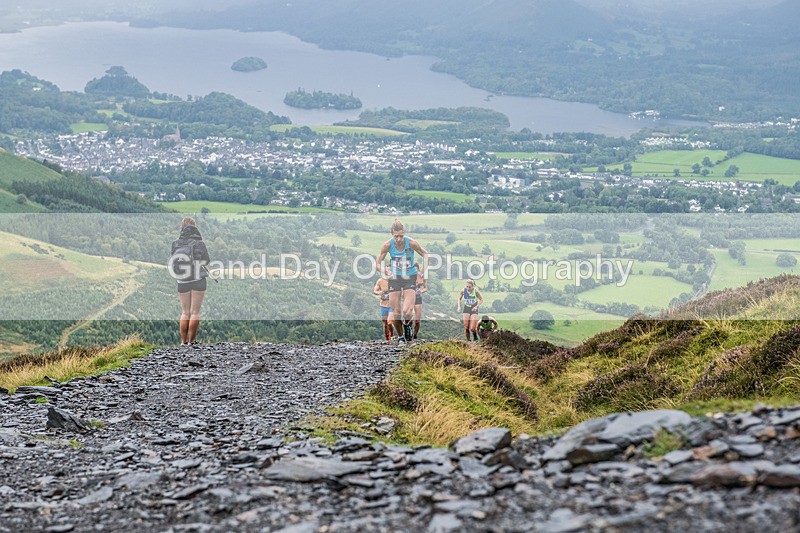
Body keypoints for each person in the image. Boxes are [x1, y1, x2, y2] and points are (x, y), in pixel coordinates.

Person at [376, 219, 427, 343]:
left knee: (407, 311)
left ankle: (407, 325)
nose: (399, 239)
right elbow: (377, 263)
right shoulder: (387, 245)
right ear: (391, 233)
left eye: (401, 236)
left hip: (410, 277)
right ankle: (401, 337)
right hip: (395, 278)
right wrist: (385, 271)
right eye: (396, 236)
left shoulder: (412, 243)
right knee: (396, 312)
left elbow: (426, 255)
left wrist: (421, 273)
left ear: (404, 232)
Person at [170, 217, 210, 346]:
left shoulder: (175, 243)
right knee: (195, 312)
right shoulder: (199, 243)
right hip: (198, 279)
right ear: (195, 228)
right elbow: (207, 261)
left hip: (182, 280)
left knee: (185, 312)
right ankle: (192, 342)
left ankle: (183, 342)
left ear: (181, 228)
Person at [373, 266, 395, 341]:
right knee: (385, 324)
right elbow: (375, 291)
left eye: (390, 269)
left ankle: (392, 334)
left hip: (392, 305)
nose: (389, 271)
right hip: (383, 304)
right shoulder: (380, 281)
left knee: (389, 322)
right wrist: (379, 292)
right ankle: (387, 338)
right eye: (387, 269)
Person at [413, 263, 428, 340]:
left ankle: (415, 335)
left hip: (418, 298)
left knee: (417, 321)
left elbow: (425, 288)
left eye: (416, 269)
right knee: (408, 318)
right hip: (409, 298)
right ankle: (407, 333)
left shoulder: (421, 277)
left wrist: (421, 291)